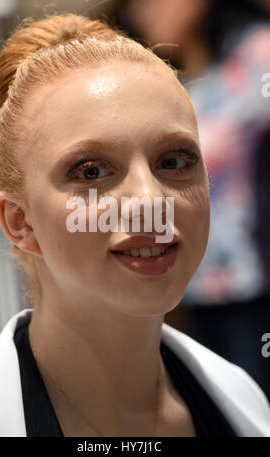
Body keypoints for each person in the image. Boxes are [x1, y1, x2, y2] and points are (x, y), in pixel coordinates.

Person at [0, 12, 269, 437]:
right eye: (91, 171)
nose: (150, 200)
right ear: (21, 222)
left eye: (174, 161)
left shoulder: (242, 400)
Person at [118, 0, 270, 399]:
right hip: (191, 276)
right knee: (213, 398)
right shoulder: (171, 86)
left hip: (251, 272)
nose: (143, 13)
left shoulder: (256, 53)